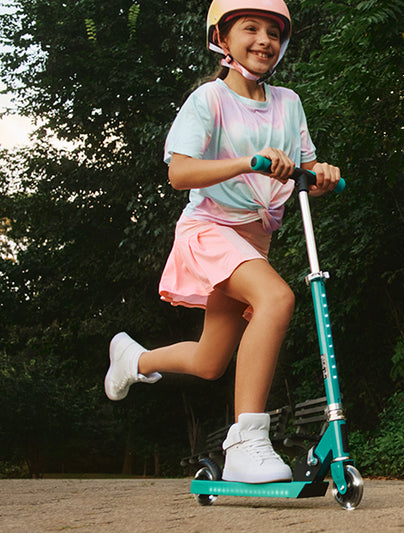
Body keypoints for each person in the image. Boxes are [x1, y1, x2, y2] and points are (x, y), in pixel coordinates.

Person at [104, 0, 341, 484]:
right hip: (210, 230)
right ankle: (246, 440)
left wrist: (321, 175)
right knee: (277, 298)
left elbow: (305, 170)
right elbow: (180, 171)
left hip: (254, 242)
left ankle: (134, 359)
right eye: (250, 28)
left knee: (211, 362)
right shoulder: (208, 100)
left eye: (273, 32)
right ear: (223, 39)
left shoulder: (288, 102)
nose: (263, 41)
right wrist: (246, 161)